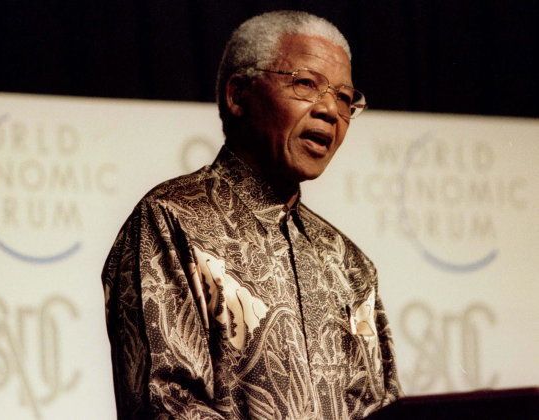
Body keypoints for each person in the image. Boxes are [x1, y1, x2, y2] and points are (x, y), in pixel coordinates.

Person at [102, 10, 402, 419]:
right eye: (306, 84)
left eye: (345, 98)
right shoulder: (172, 222)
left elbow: (380, 408)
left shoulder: (348, 263)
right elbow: (168, 404)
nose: (330, 110)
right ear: (238, 95)